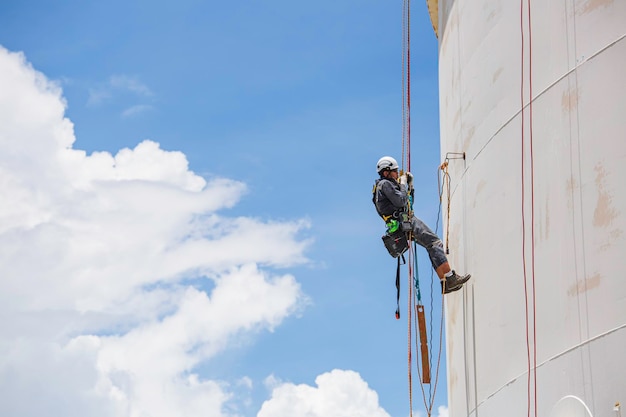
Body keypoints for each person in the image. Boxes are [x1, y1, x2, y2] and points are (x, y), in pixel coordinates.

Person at [373, 156, 471, 294]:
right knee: (434, 243)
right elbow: (401, 201)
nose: (397, 174)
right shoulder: (385, 184)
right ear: (386, 172)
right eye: (395, 171)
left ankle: (446, 282)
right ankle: (450, 278)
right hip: (406, 221)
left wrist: (410, 186)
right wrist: (402, 184)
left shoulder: (382, 187)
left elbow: (408, 202)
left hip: (403, 222)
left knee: (430, 245)